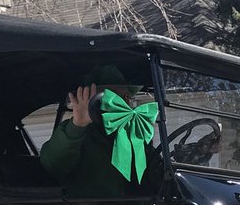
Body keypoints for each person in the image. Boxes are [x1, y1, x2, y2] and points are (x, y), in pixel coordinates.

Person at [40, 67, 160, 197]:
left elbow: (155, 173)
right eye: (109, 97)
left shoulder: (133, 133)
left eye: (125, 97)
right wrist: (77, 125)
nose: (122, 103)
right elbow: (53, 164)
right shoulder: (74, 133)